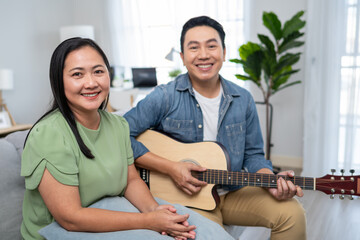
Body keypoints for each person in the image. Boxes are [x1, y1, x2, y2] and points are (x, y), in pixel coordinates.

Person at [20, 37, 234, 240]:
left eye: (98, 71)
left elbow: (131, 180)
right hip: (61, 229)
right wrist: (148, 221)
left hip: (113, 208)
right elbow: (70, 218)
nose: (91, 82)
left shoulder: (117, 125)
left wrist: (155, 210)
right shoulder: (49, 134)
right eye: (77, 74)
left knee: (207, 232)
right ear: (59, 80)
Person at [124, 16, 307, 240]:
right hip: (188, 200)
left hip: (231, 192)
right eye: (194, 48)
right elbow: (120, 136)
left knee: (293, 213)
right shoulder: (164, 96)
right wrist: (171, 167)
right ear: (182, 57)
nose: (203, 55)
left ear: (224, 52)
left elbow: (253, 155)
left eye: (211, 46)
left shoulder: (243, 99)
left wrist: (270, 181)